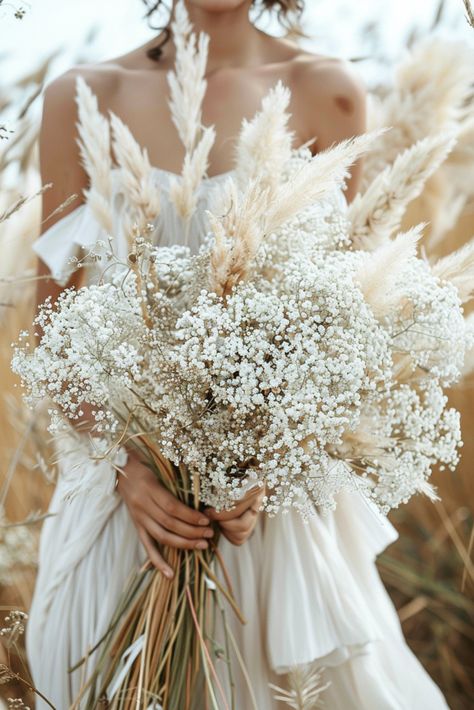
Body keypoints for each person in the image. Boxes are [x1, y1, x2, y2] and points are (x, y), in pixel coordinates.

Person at [26, 1, 450, 707]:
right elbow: (54, 323)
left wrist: (271, 468)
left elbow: (353, 318)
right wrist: (127, 468)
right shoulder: (81, 94)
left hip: (269, 515)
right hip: (124, 506)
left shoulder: (328, 90)